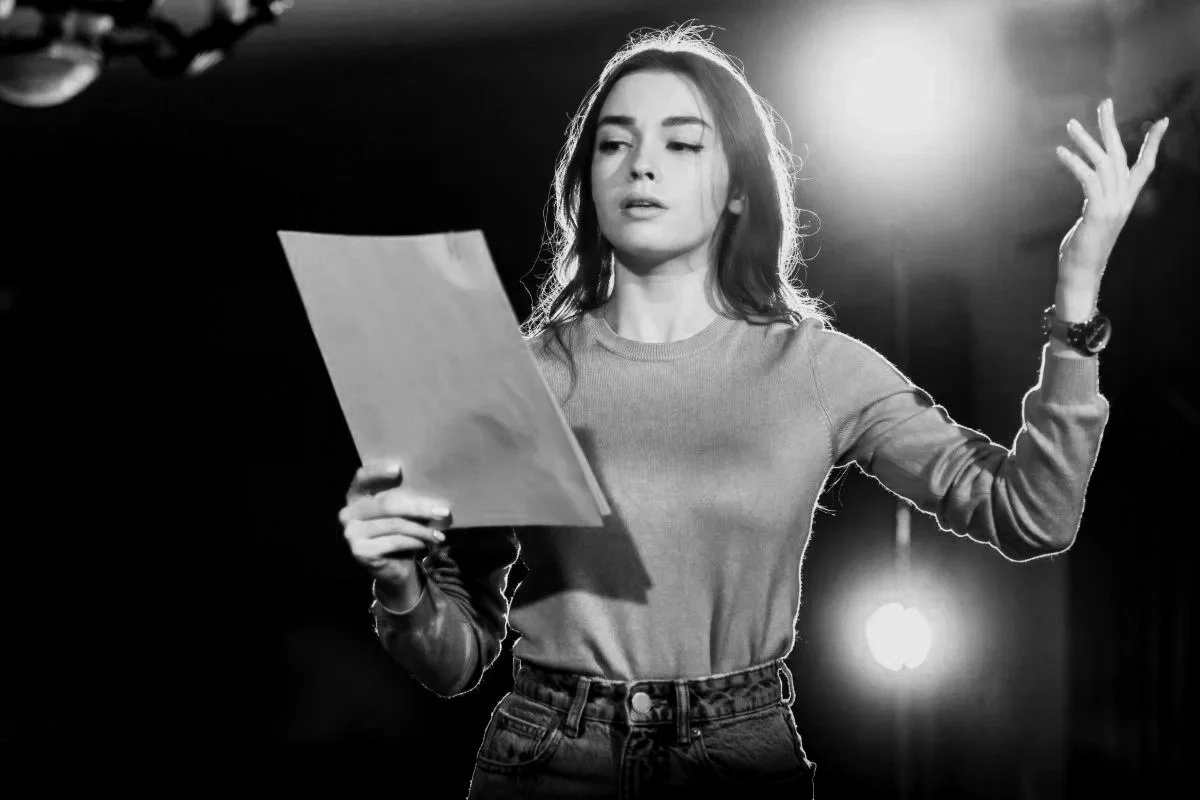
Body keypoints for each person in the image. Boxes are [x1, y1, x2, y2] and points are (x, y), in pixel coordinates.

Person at [337, 22, 1168, 800]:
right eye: (614, 143)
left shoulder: (813, 368)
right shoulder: (521, 374)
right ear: (587, 182)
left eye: (682, 144)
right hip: (547, 757)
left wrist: (1077, 296)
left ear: (737, 187)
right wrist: (403, 581)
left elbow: (1034, 516)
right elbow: (454, 662)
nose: (641, 165)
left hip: (737, 757)